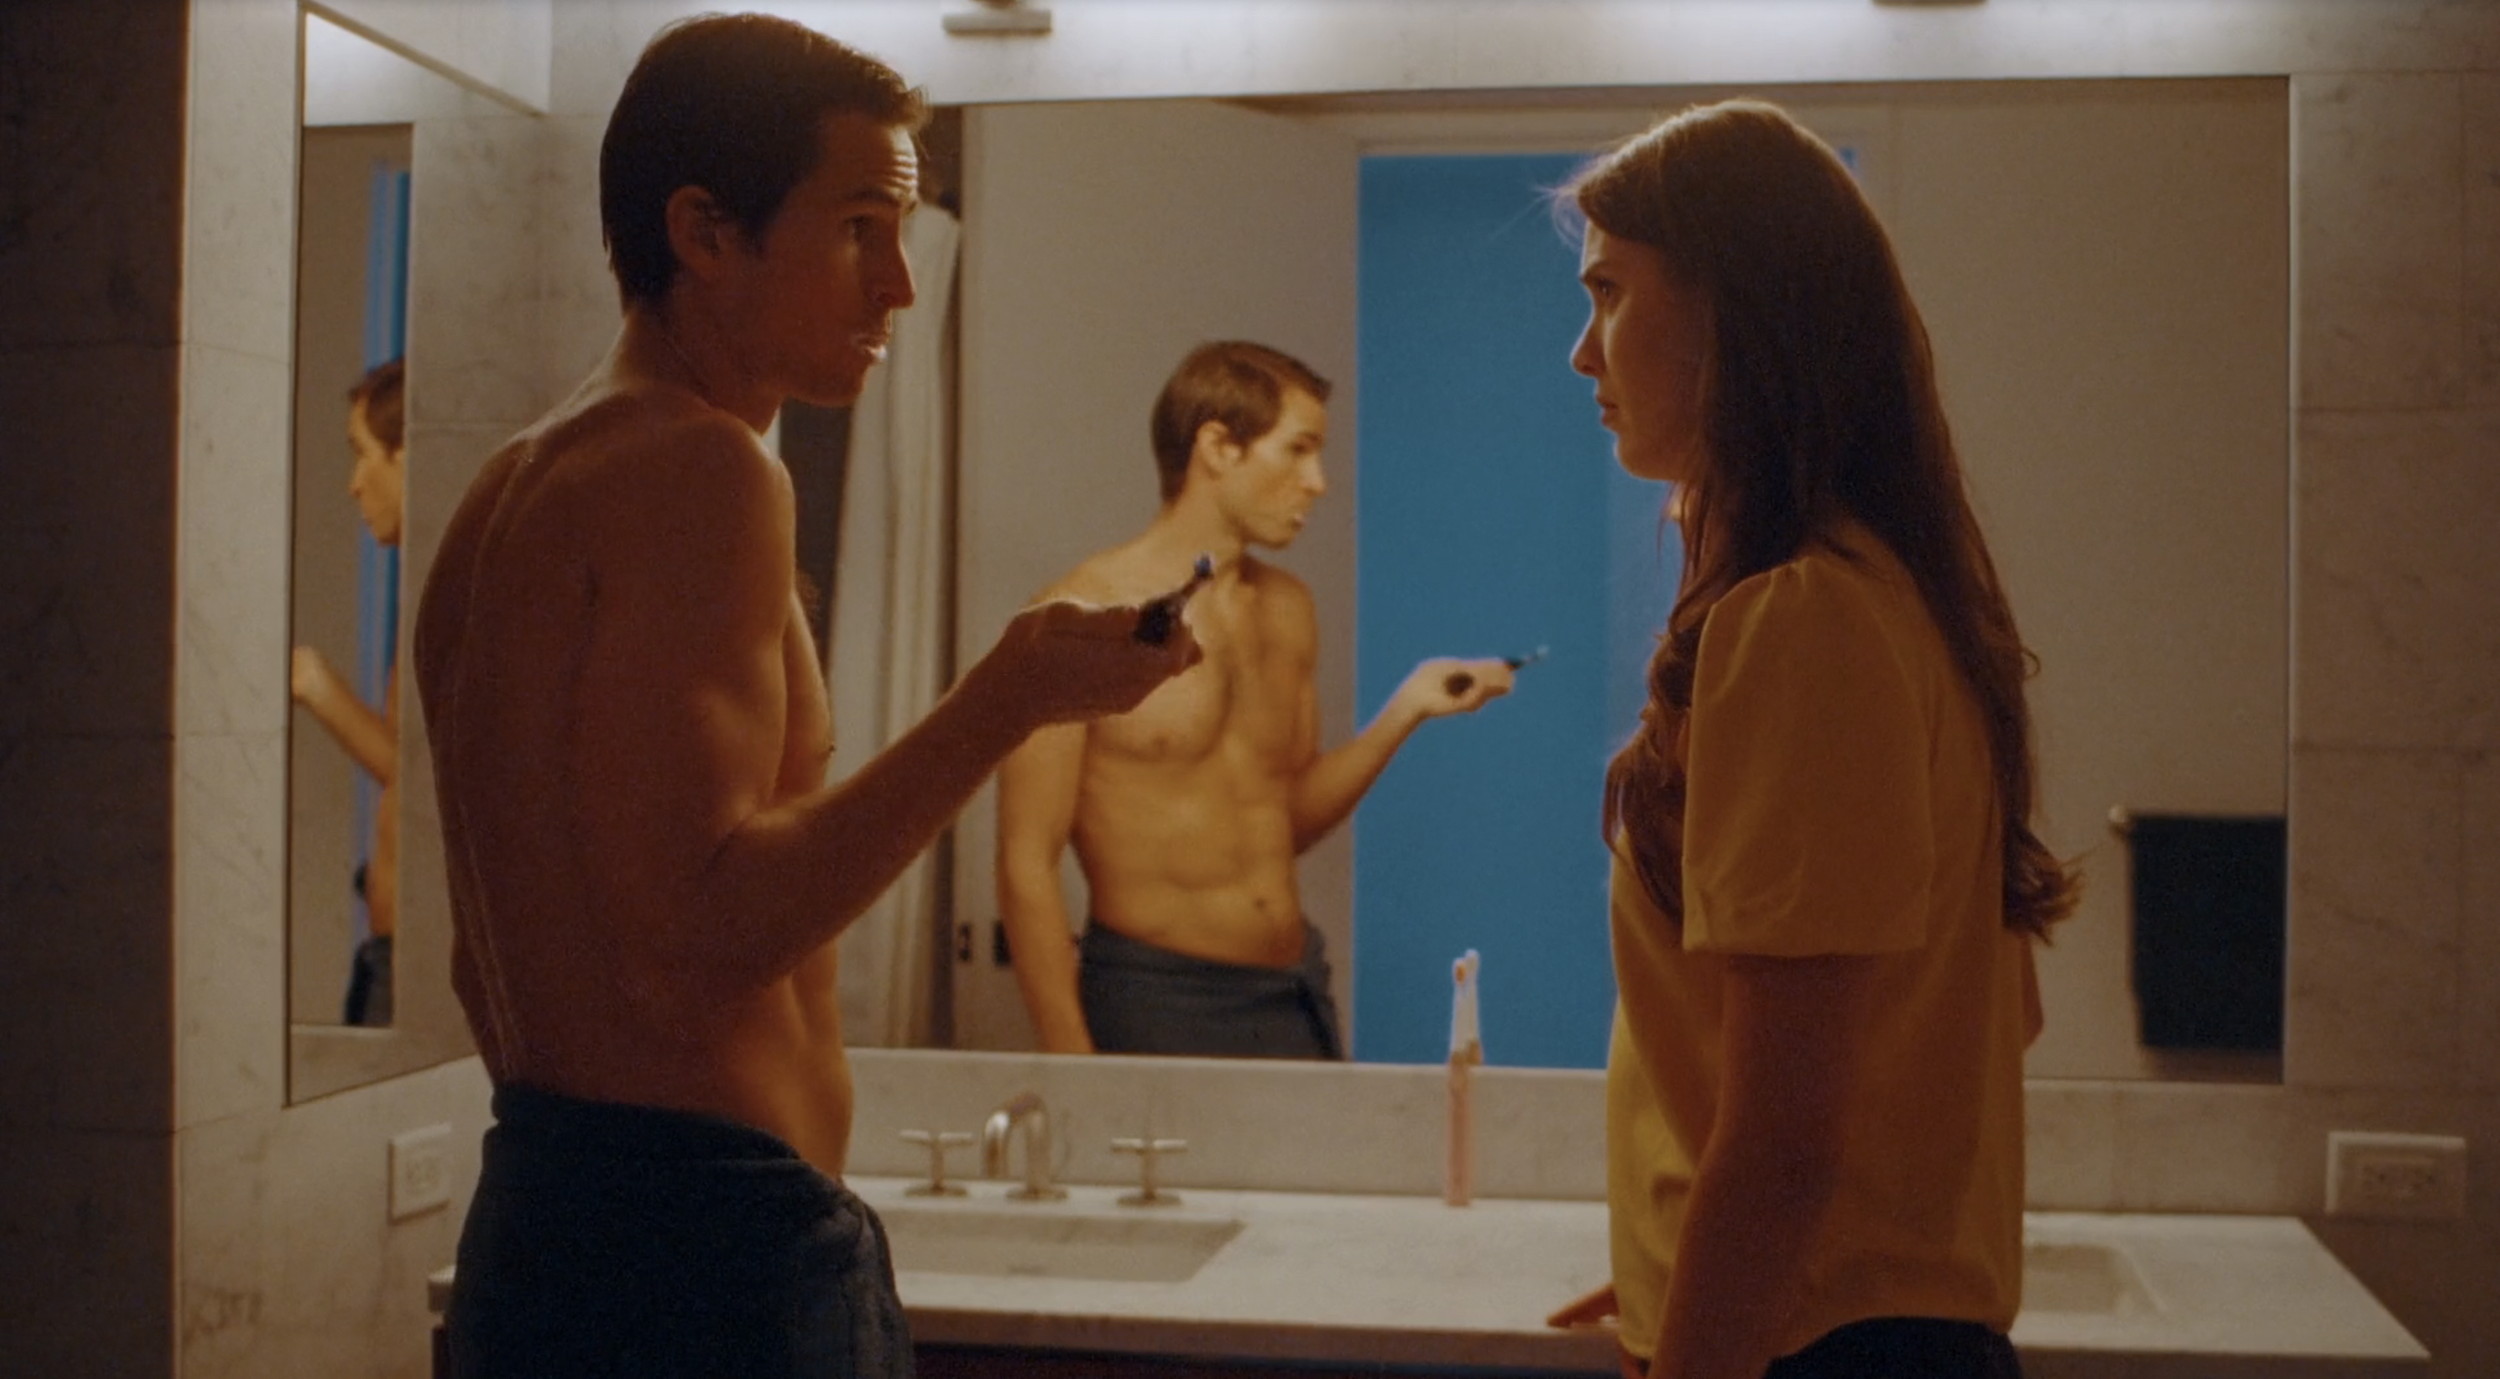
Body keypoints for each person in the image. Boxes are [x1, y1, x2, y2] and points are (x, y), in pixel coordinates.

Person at [412, 16, 1196, 1378]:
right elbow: (699, 936)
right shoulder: (702, 467)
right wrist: (1003, 698)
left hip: (543, 1214)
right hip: (703, 1252)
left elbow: (509, 951)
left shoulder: (510, 489)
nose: (901, 283)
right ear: (705, 231)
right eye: (858, 229)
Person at [1565, 100, 2075, 1379]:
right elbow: (1979, 1026)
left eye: (1610, 292)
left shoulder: (1801, 624)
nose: (1582, 353)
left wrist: (1727, 1291)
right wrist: (1684, 1255)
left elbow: (1787, 1150)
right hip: (1841, 1330)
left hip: (1830, 1353)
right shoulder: (1888, 595)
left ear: (1736, 314)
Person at [993, 340, 1516, 1059]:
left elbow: (1285, 817)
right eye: (1298, 450)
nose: (1318, 483)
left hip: (1292, 992)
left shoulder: (1287, 608)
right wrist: (1074, 1069)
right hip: (1157, 995)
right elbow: (1025, 863)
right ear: (1218, 447)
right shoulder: (1079, 618)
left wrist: (1407, 710)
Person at [290, 357, 405, 1027]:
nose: (354, 483)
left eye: (364, 454)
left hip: (412, 966)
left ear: (407, 455)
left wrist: (316, 685)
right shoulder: (424, 587)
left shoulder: (449, 597)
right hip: (388, 955)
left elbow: (420, 778)